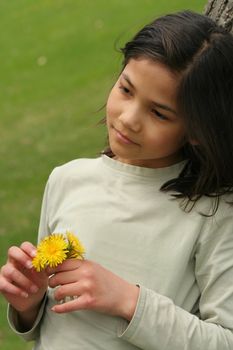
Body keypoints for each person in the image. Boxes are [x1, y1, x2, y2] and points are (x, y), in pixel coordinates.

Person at [1, 10, 233, 350]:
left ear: (197, 130)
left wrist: (129, 301)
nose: (128, 119)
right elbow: (55, 324)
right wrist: (29, 303)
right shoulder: (67, 179)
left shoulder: (213, 212)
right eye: (126, 89)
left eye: (158, 113)